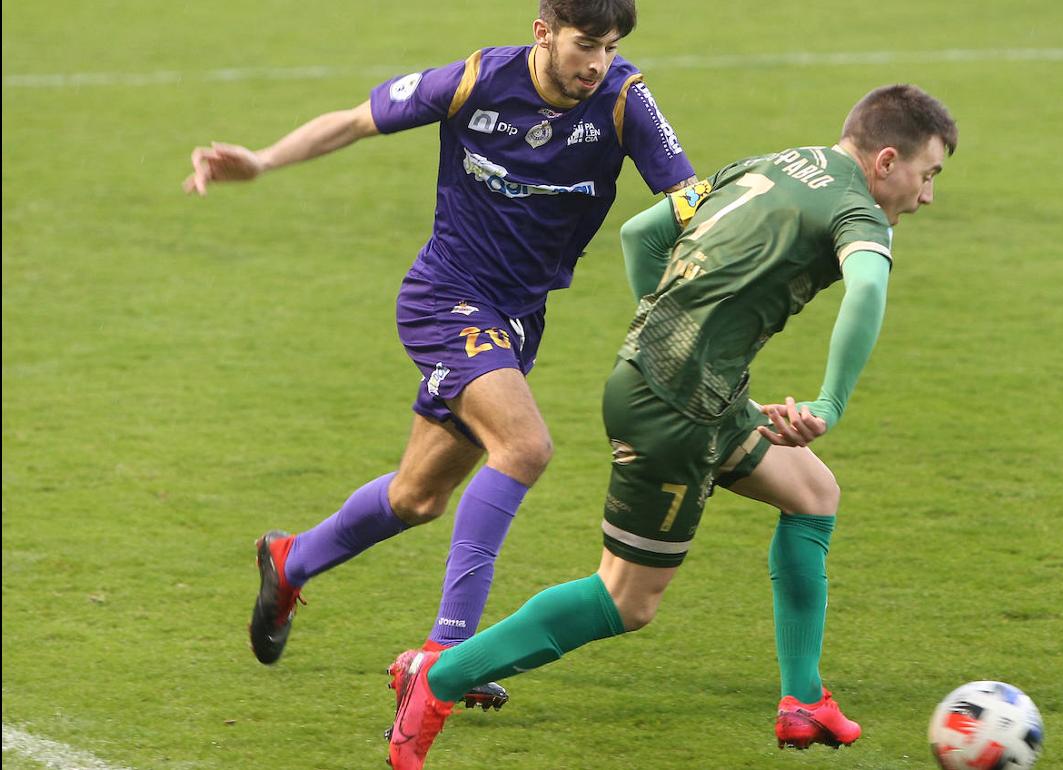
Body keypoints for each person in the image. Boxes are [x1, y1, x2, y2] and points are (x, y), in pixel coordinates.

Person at [381, 83, 958, 769]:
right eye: (928, 175)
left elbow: (643, 231)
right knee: (624, 601)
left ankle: (803, 700)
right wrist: (829, 404)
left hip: (692, 390)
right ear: (887, 160)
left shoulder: (764, 164)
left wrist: (671, 329)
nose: (925, 196)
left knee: (812, 496)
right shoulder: (859, 211)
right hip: (673, 409)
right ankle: (436, 678)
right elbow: (866, 288)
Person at [182, 0, 696, 710]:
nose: (596, 63)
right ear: (542, 32)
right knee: (524, 447)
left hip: (517, 319)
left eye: (609, 48)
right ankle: (445, 656)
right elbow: (358, 120)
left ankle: (289, 560)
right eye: (585, 44)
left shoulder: (622, 101)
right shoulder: (475, 81)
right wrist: (262, 160)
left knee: (416, 497)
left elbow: (690, 198)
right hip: (445, 298)